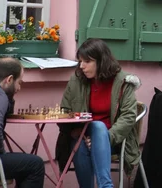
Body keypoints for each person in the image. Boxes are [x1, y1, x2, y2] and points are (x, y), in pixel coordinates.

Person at [56, 38, 141, 188]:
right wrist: (76, 132)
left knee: (99, 127)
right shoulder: (76, 80)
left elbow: (128, 116)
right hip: (82, 135)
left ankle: (105, 186)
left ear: (101, 61)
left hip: (113, 140)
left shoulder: (123, 82)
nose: (81, 66)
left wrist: (104, 137)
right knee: (81, 143)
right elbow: (65, 111)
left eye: (86, 62)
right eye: (80, 61)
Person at [0, 57, 44, 187]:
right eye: (19, 82)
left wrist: (9, 96)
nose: (19, 88)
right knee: (35, 164)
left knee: (24, 165)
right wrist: (1, 153)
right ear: (9, 79)